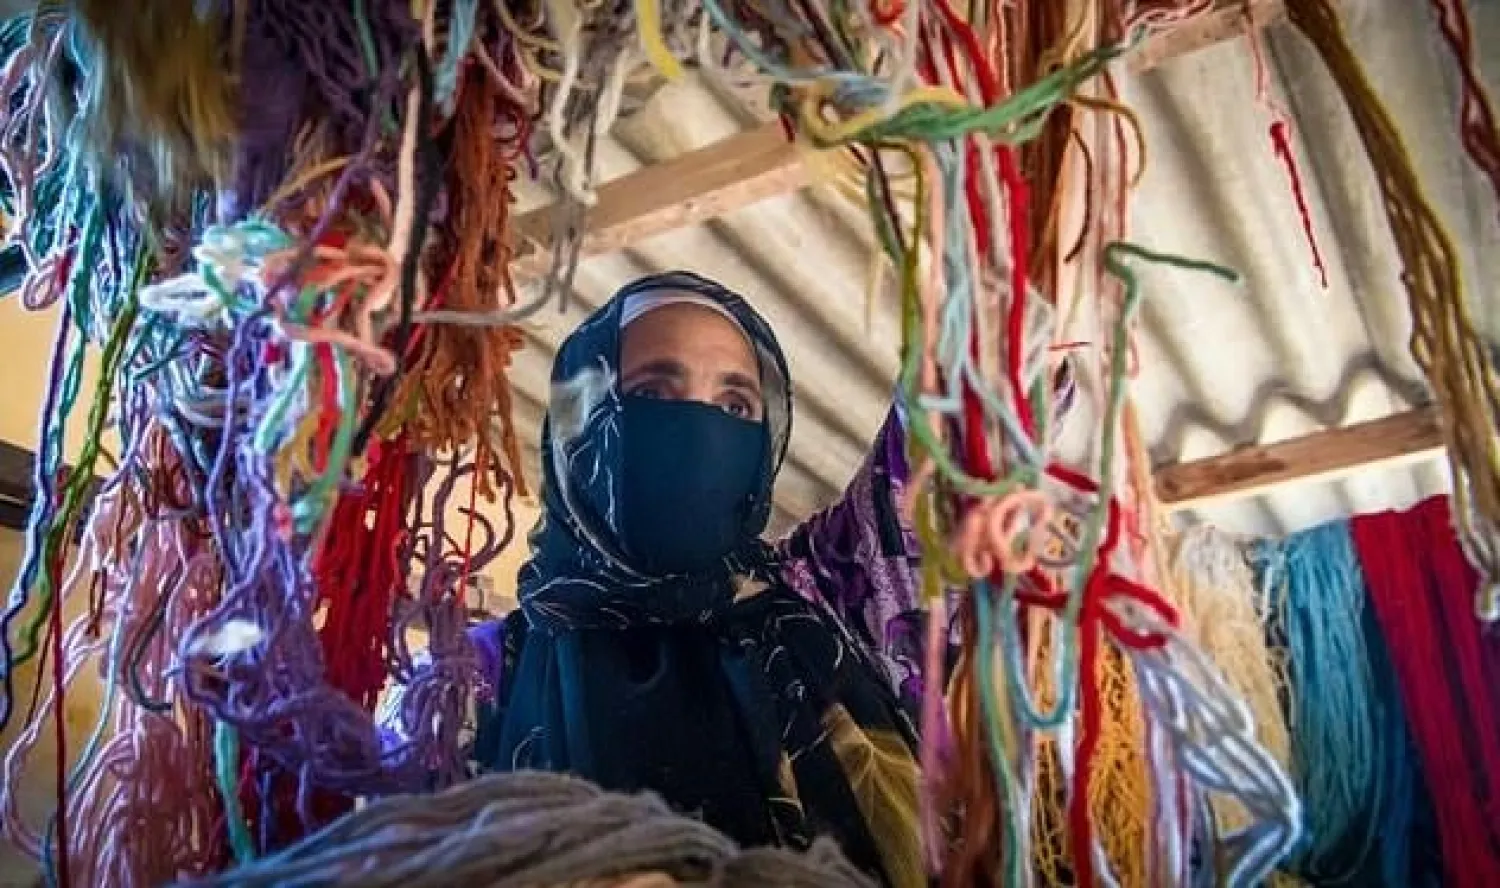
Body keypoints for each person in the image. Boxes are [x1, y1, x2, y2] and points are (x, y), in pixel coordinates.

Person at [457, 271, 932, 888]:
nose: (702, 429)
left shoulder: (829, 593)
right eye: (655, 392)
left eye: (736, 404)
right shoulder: (475, 678)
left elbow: (949, 433)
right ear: (581, 421)